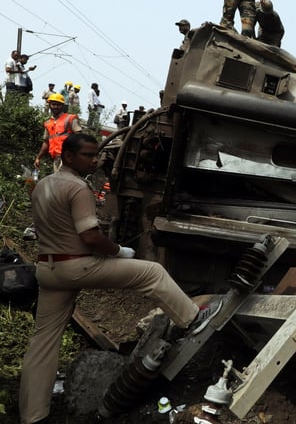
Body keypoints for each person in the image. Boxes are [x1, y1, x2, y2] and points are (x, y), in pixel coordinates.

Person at [18, 133, 223, 424]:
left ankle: (32, 416)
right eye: (88, 155)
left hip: (48, 270)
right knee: (152, 272)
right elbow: (89, 236)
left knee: (42, 343)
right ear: (68, 156)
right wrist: (118, 251)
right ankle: (192, 319)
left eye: (95, 154)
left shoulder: (42, 187)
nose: (95, 159)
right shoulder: (78, 188)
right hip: (76, 266)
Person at [34, 93, 82, 172]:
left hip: (68, 156)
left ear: (62, 106)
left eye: (58, 104)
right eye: (53, 104)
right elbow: (46, 142)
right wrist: (38, 158)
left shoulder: (69, 118)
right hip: (56, 158)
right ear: (49, 105)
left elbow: (79, 136)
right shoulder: (48, 123)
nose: (55, 106)